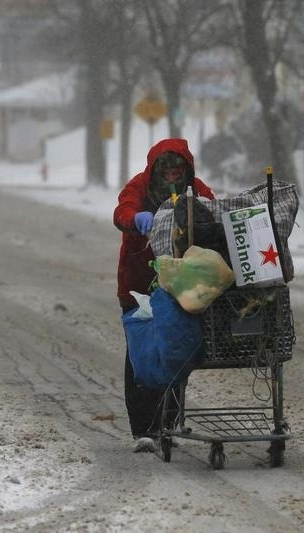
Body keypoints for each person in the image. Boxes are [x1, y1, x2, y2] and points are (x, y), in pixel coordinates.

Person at [113, 138, 215, 453]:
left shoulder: (196, 190)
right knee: (142, 356)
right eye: (166, 173)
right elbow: (123, 210)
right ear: (155, 171)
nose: (172, 178)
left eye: (177, 172)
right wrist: (136, 219)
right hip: (139, 284)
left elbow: (212, 212)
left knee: (175, 351)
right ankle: (143, 427)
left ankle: (167, 422)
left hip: (178, 287)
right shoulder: (139, 188)